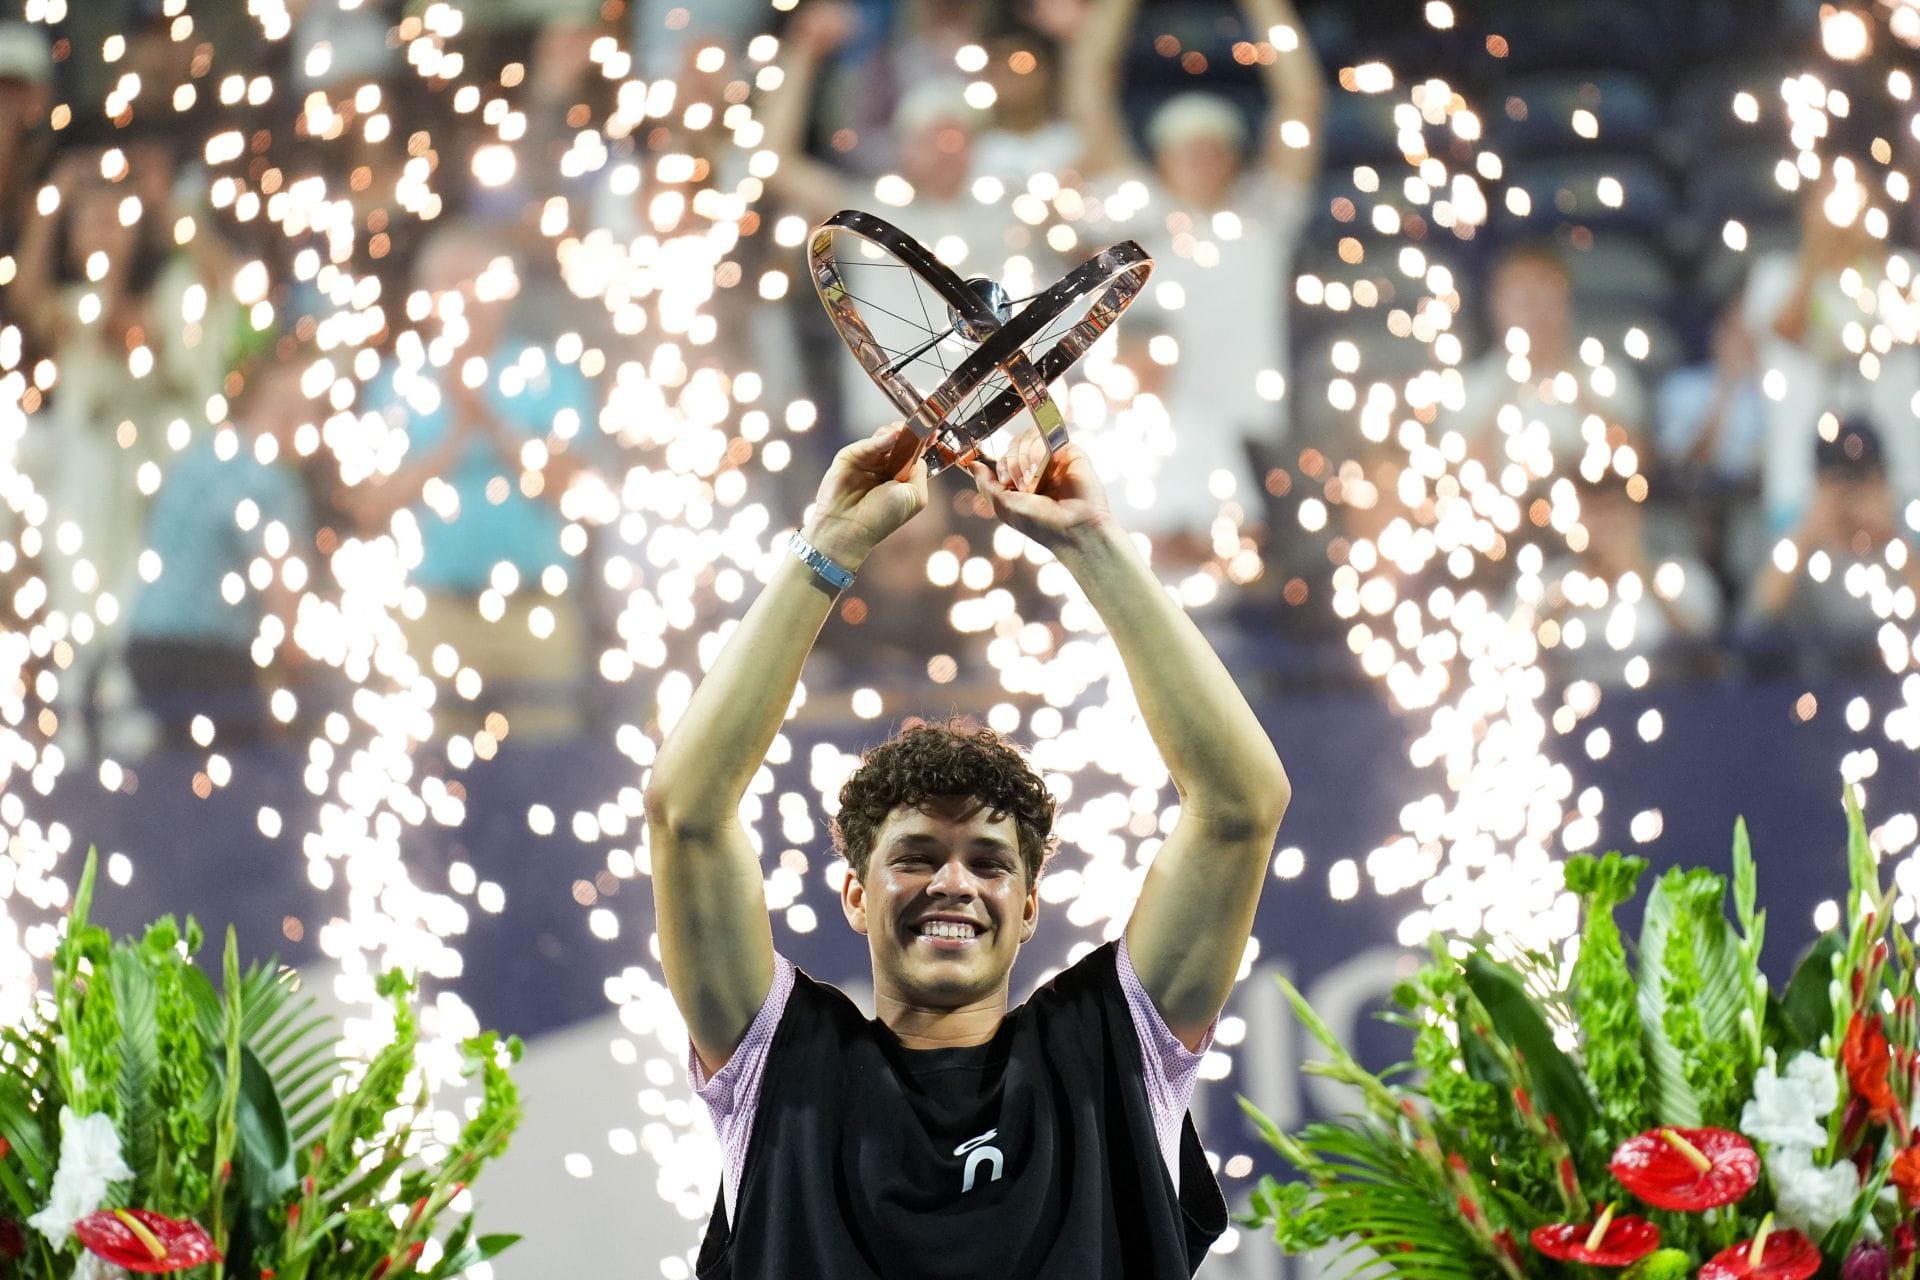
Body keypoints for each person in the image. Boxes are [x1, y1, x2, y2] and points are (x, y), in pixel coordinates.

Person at [644, 426, 1290, 1276]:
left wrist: (1094, 545)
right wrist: (829, 548)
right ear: (855, 895)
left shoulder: (1111, 1051)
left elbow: (1242, 807)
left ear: (1028, 907)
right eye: (915, 856)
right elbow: (686, 812)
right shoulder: (782, 1066)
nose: (954, 883)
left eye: (990, 863)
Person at [1067, 0, 1324, 551]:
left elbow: (1302, 104)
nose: (1201, 160)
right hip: (1141, 435)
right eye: (1187, 150)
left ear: (1235, 158)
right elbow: (1088, 92)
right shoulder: (1135, 213)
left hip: (1251, 435)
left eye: (1214, 149)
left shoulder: (1260, 218)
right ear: (1161, 159)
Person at [349, 222, 598, 740]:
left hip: (534, 613)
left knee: (546, 765)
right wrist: (452, 440)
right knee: (426, 770)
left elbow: (573, 490)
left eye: (472, 283)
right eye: (447, 285)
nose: (460, 300)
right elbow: (370, 506)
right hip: (430, 613)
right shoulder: (396, 383)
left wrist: (489, 419)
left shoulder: (549, 375)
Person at [124, 355, 316, 746]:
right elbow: (283, 594)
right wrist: (303, 668)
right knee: (239, 780)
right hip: (209, 655)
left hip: (146, 644)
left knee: (182, 771)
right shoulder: (270, 480)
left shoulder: (202, 455)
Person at [1743, 164, 1920, 536]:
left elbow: (1912, 327)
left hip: (1903, 485)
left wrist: (1873, 250)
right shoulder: (1776, 275)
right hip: (1801, 489)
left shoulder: (1904, 271)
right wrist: (1820, 252)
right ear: (1807, 211)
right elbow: (1785, 330)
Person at [1451, 242, 1649, 479]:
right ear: (1496, 307)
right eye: (1526, 303)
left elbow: (1634, 465)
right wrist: (1511, 387)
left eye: (1551, 302)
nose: (1539, 317)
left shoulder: (1607, 378)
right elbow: (1459, 474)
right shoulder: (1467, 388)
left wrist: (1578, 390)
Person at [1740, 418, 1920, 652]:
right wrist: (1807, 536)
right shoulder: (1795, 553)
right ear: (1818, 484)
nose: (1849, 493)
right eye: (1837, 480)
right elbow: (1751, 635)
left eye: (1860, 479)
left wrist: (1893, 540)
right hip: (1816, 683)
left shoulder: (1905, 545)